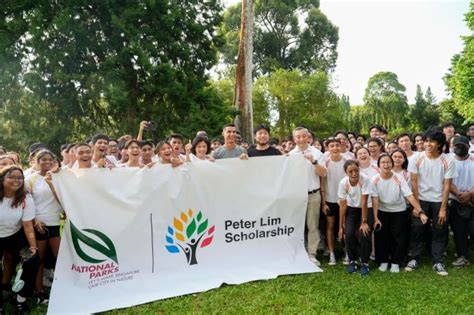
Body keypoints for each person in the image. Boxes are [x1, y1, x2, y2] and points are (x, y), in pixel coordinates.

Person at [406, 129, 456, 276]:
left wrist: (442, 208)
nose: (427, 144)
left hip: (439, 200)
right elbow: (414, 183)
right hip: (420, 199)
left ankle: (438, 261)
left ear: (439, 144)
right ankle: (414, 258)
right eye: (426, 141)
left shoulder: (448, 160)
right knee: (417, 229)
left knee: (440, 230)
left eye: (431, 141)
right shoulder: (416, 158)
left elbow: (447, 185)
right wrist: (417, 206)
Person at [370, 154, 425, 273]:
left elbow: (409, 195)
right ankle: (383, 261)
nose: (386, 165)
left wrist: (420, 211)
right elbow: (375, 199)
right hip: (382, 211)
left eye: (388, 162)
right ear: (379, 165)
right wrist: (375, 218)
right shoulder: (374, 179)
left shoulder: (399, 178)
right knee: (382, 237)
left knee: (399, 237)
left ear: (392, 164)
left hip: (398, 211)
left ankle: (396, 262)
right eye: (383, 162)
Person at [0, 166, 39, 313]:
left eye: (19, 177)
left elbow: (28, 226)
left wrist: (33, 248)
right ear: (3, 179)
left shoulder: (25, 198)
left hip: (15, 237)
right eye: (12, 177)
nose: (16, 180)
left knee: (32, 260)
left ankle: (20, 299)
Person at [25, 150, 62, 304]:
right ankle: (39, 292)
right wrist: (34, 220)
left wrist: (52, 182)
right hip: (38, 224)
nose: (47, 162)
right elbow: (26, 202)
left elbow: (63, 200)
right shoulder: (30, 179)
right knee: (38, 260)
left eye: (50, 159)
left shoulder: (59, 177)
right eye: (43, 160)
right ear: (36, 161)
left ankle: (64, 289)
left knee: (60, 259)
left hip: (54, 222)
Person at [289, 127, 327, 266]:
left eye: (303, 136)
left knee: (313, 225)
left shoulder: (317, 153)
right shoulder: (291, 155)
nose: (300, 139)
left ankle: (312, 254)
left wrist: (314, 162)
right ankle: (296, 252)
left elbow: (323, 174)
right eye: (297, 137)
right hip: (296, 195)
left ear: (308, 137)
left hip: (313, 194)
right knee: (296, 225)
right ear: (294, 139)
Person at [338, 160, 372, 276]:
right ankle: (353, 260)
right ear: (346, 172)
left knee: (364, 233)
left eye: (356, 170)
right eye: (350, 171)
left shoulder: (365, 179)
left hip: (366, 209)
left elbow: (364, 202)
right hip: (351, 209)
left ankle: (365, 263)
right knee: (349, 233)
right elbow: (342, 205)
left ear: (359, 169)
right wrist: (341, 226)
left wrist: (364, 222)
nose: (354, 173)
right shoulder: (343, 183)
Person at [320, 137, 347, 266]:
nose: (335, 148)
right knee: (330, 226)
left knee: (345, 226)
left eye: (337, 145)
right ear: (328, 148)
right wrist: (323, 202)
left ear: (341, 147)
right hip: (330, 199)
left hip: (344, 200)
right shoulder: (325, 162)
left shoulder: (347, 161)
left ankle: (346, 251)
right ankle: (331, 253)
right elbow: (322, 183)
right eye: (332, 146)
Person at [448, 136, 474, 268]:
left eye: (462, 146)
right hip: (455, 199)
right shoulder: (449, 161)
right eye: (457, 146)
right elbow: (446, 181)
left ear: (468, 147)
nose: (459, 148)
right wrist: (459, 194)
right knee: (459, 231)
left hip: (472, 199)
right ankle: (462, 256)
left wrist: (469, 193)